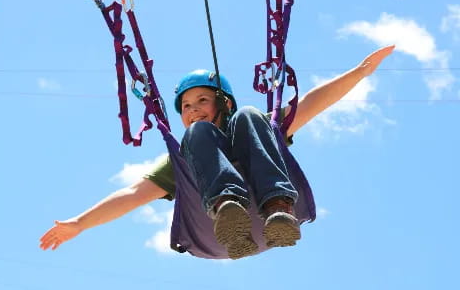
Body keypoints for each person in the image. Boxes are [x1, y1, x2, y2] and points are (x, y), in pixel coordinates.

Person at [40, 45, 395, 259]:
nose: (193, 109)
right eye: (186, 105)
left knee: (254, 115)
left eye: (202, 100)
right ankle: (228, 208)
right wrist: (80, 223)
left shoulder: (251, 127)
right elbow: (134, 194)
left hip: (273, 220)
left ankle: (277, 207)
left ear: (223, 103)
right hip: (218, 230)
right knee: (197, 137)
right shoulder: (189, 151)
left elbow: (312, 104)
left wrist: (360, 72)